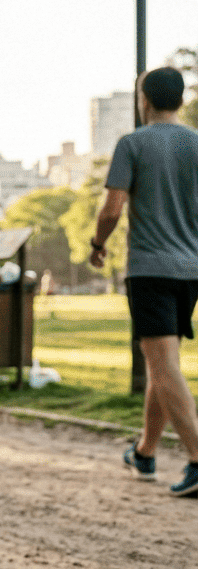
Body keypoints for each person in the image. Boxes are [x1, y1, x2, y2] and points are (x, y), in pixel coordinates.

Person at [90, 66, 198, 497]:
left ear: (144, 100)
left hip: (151, 268)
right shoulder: (197, 142)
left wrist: (97, 244)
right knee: (163, 362)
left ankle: (196, 457)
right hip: (192, 269)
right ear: (182, 99)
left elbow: (112, 209)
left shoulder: (132, 144)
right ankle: (145, 453)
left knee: (163, 365)